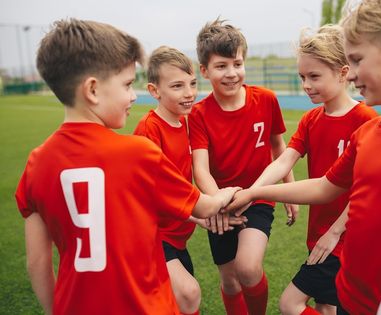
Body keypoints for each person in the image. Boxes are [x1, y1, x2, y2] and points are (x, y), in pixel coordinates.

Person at [226, 0, 381, 313]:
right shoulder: (367, 135)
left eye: (357, 60)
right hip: (352, 297)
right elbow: (323, 187)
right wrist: (255, 192)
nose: (351, 74)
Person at [15, 19, 239, 315]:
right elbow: (205, 207)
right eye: (126, 85)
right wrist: (232, 193)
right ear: (93, 90)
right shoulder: (137, 152)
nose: (133, 95)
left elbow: (38, 263)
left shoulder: (35, 164)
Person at [244, 24, 377, 315]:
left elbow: (368, 185)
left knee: (291, 303)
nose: (306, 84)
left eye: (314, 76)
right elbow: (283, 161)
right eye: (302, 76)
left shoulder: (365, 119)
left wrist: (336, 231)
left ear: (343, 73)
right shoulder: (310, 119)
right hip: (319, 233)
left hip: (345, 237)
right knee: (326, 305)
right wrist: (251, 193)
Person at [188, 18, 297, 315]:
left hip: (258, 196)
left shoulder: (266, 100)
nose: (231, 73)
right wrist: (217, 204)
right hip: (220, 201)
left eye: (237, 63)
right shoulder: (198, 114)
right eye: (221, 66)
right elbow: (201, 169)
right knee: (231, 282)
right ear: (205, 71)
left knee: (247, 269)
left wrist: (288, 189)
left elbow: (280, 148)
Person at [133, 45, 246, 315]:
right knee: (188, 293)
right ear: (154, 91)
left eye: (193, 83)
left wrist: (197, 218)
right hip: (151, 236)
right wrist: (211, 205)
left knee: (178, 303)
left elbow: (179, 186)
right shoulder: (149, 130)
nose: (189, 93)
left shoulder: (187, 122)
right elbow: (151, 193)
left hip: (177, 236)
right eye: (177, 86)